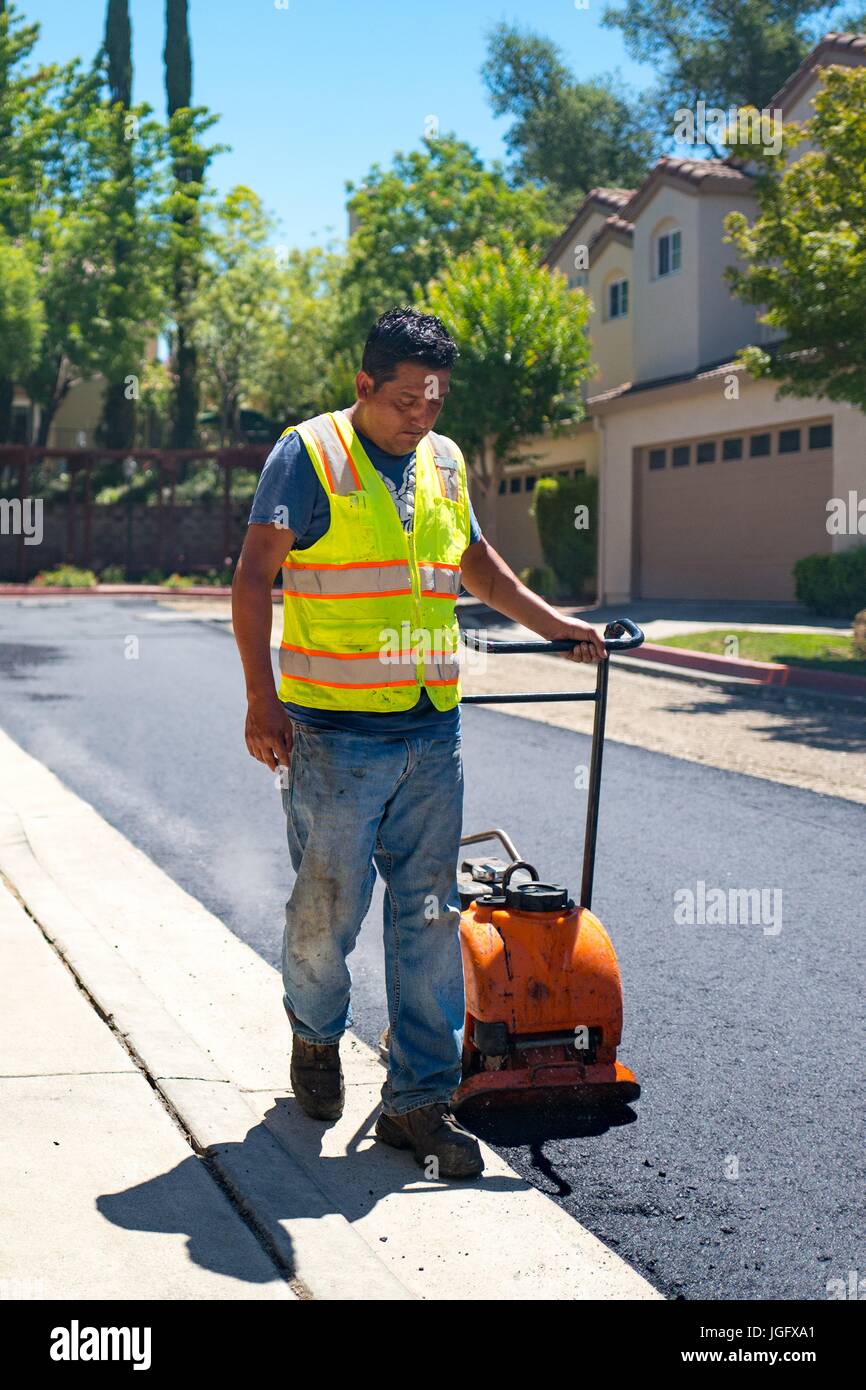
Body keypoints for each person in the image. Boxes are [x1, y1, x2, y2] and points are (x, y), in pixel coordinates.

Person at [231, 306, 606, 1180]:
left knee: (430, 918)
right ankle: (317, 1039)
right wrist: (262, 700)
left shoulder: (443, 459)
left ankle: (417, 1102)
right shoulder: (310, 453)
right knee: (326, 918)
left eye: (434, 400)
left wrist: (558, 626)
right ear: (364, 385)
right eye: (404, 400)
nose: (421, 416)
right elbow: (253, 579)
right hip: (334, 738)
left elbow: (474, 560)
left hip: (433, 734)